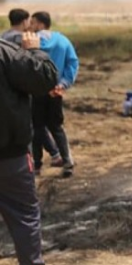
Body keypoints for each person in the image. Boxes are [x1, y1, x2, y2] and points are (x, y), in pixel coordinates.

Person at [0, 31, 59, 265]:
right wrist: (34, 51)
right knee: (24, 217)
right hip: (10, 157)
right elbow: (45, 78)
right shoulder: (6, 52)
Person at [29, 11, 79, 178]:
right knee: (57, 127)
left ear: (40, 24)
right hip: (55, 91)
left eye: (32, 23)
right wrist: (63, 83)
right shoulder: (63, 40)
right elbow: (72, 63)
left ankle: (37, 165)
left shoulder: (32, 42)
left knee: (37, 128)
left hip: (36, 91)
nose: (30, 26)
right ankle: (67, 162)